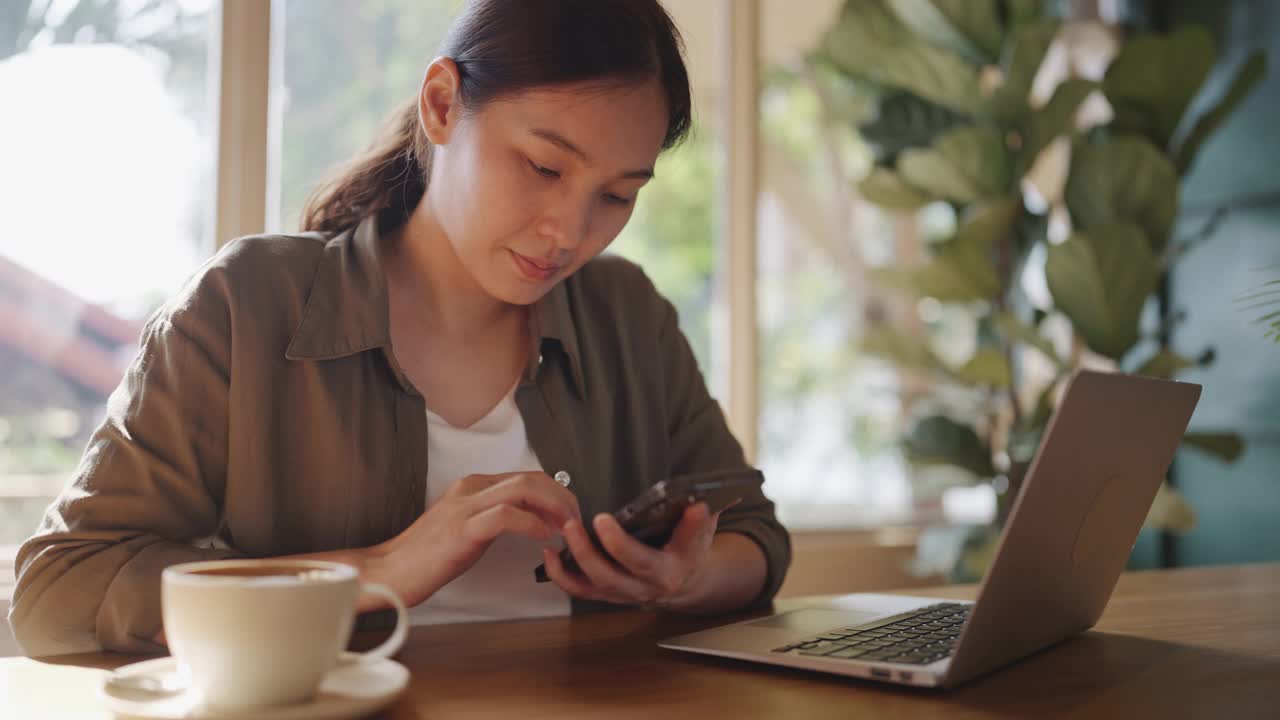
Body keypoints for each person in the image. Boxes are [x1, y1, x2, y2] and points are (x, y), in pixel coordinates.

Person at [9, 0, 790, 657]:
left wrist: (687, 578)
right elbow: (57, 592)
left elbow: (753, 536)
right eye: (545, 168)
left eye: (617, 195)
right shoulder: (245, 304)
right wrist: (377, 569)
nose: (569, 231)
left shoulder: (626, 313)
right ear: (442, 104)